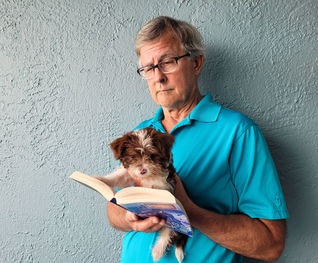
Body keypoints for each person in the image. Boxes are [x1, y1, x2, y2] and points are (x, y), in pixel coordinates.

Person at [106, 16, 289, 263]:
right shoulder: (141, 133)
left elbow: (271, 244)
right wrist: (129, 217)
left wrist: (188, 210)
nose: (158, 77)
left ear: (196, 63)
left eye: (168, 62)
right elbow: (114, 209)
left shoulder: (238, 132)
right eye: (149, 68)